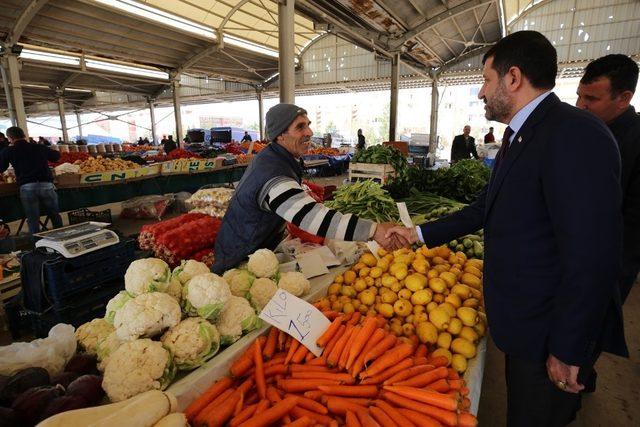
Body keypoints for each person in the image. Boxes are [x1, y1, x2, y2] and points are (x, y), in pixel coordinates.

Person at [386, 31, 627, 426]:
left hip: (547, 330)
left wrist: (568, 348)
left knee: (536, 416)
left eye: (486, 80)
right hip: (522, 323)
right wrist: (417, 235)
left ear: (512, 78)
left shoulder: (574, 134)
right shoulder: (520, 135)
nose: (481, 93)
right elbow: (486, 207)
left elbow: (592, 254)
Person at [212, 103, 398, 273]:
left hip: (253, 252)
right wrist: (374, 231)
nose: (309, 131)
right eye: (300, 127)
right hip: (237, 261)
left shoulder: (276, 158)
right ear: (280, 135)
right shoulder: (273, 173)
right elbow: (312, 217)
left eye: (308, 124)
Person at [577, 54, 640, 304]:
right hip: (569, 258)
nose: (580, 105)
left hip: (605, 270)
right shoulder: (585, 131)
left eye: (591, 98)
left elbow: (634, 229)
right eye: (580, 95)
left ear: (624, 98)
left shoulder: (635, 141)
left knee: (589, 334)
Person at [0, 126, 63, 235]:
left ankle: (37, 244)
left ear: (10, 138)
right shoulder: (39, 147)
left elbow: (1, 167)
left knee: (33, 218)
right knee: (54, 215)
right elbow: (56, 156)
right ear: (24, 135)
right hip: (46, 185)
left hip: (27, 187)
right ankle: (62, 238)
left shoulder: (8, 151)